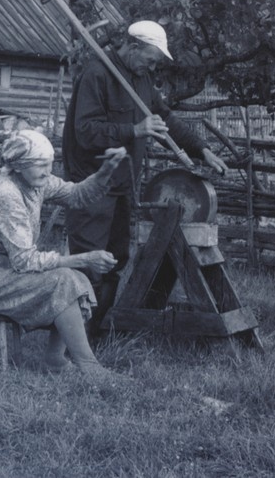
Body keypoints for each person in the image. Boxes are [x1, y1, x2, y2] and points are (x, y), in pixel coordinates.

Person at [62, 20, 228, 331]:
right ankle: (74, 340)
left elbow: (164, 117)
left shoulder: (140, 79)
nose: (152, 66)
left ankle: (96, 331)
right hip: (91, 186)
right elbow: (84, 132)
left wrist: (200, 149)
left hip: (124, 184)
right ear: (133, 46)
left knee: (115, 259)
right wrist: (134, 130)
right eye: (150, 59)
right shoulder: (98, 75)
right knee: (89, 262)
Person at [0, 129, 127, 382]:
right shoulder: (6, 194)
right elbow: (25, 260)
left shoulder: (36, 184)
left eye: (50, 165)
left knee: (74, 277)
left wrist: (105, 171)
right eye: (40, 166)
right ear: (19, 165)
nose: (47, 172)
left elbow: (78, 195)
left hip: (7, 273)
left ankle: (55, 360)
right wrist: (84, 258)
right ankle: (88, 366)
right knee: (64, 279)